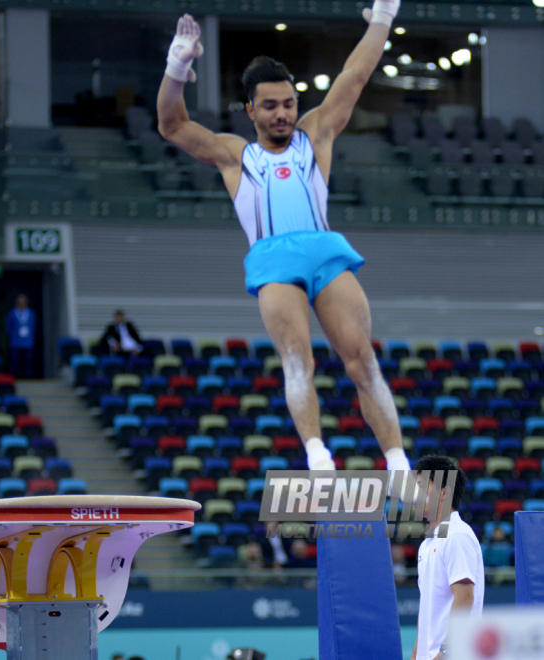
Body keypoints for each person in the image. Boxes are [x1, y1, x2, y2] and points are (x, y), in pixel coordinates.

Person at [156, 4, 411, 480]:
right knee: (300, 361)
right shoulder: (237, 156)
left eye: (289, 103)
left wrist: (382, 18)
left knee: (362, 360)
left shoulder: (314, 135)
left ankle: (397, 462)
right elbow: (172, 126)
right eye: (270, 106)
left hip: (323, 250)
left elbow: (355, 75)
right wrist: (177, 67)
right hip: (274, 260)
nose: (282, 114)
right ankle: (318, 458)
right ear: (250, 109)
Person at [412, 456, 485, 660]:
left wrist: (446, 653)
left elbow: (465, 598)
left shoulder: (457, 535)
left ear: (443, 491)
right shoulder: (426, 545)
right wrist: (416, 653)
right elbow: (427, 608)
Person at [6, 293, 37, 379]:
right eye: (20, 301)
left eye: (23, 300)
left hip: (27, 342)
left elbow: (33, 327)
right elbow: (8, 328)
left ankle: (28, 378)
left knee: (28, 362)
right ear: (17, 302)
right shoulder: (12, 314)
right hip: (15, 342)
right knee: (15, 362)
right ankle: (14, 378)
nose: (21, 302)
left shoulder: (31, 313)